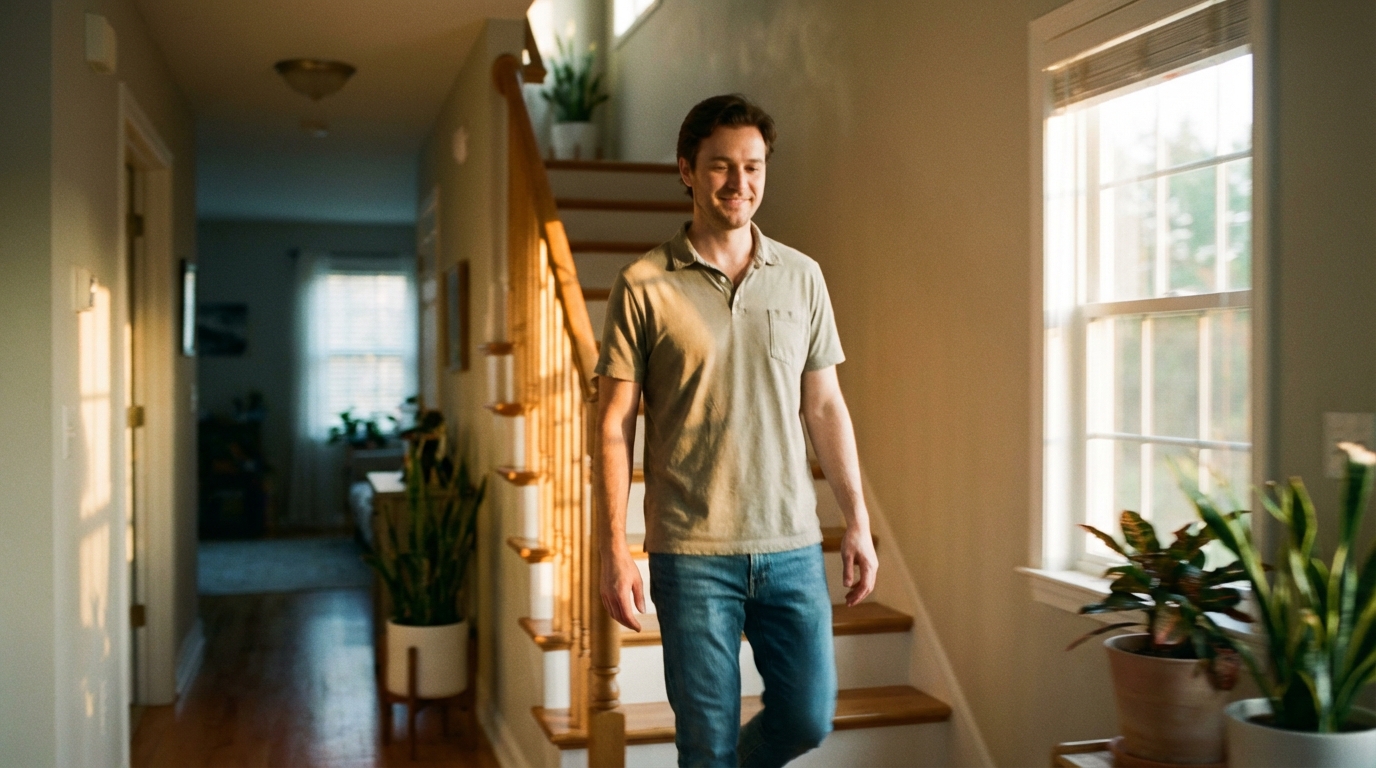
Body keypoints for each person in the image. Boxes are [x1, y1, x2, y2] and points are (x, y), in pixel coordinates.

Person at [592, 93, 877, 768]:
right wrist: (613, 546)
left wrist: (859, 522)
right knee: (706, 744)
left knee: (808, 718)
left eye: (753, 167)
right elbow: (612, 425)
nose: (738, 184)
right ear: (687, 169)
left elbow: (826, 407)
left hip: (792, 546)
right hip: (692, 553)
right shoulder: (642, 285)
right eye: (721, 166)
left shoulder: (803, 278)